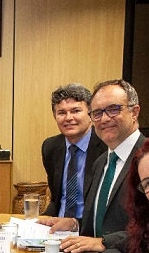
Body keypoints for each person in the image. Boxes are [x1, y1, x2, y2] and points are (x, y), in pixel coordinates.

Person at [40, 79, 146, 253]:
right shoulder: (103, 162)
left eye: (113, 109)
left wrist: (103, 242)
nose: (104, 119)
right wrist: (75, 223)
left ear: (134, 112)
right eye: (97, 113)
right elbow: (99, 219)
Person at [41, 83, 107, 218]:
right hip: (58, 225)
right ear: (54, 116)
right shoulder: (50, 147)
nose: (68, 118)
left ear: (91, 114)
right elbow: (56, 199)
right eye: (61, 113)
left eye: (76, 111)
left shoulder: (106, 146)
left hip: (91, 227)